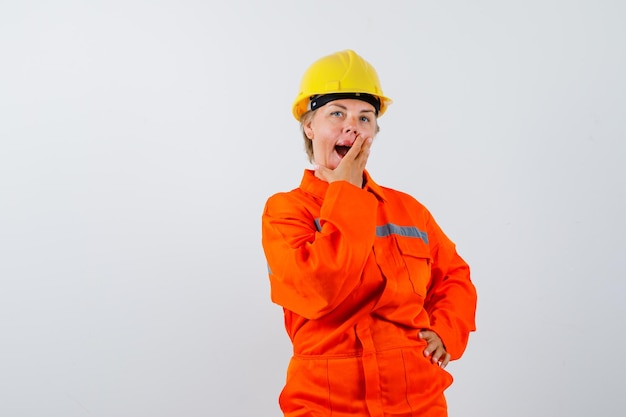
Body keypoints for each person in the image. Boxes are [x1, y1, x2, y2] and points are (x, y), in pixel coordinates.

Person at [261, 49, 477, 417]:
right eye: (337, 114)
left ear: (374, 131)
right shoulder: (286, 211)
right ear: (309, 126)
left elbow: (454, 275)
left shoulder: (408, 209)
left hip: (417, 400)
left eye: (365, 117)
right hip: (326, 403)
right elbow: (319, 291)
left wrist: (445, 331)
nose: (353, 126)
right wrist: (346, 195)